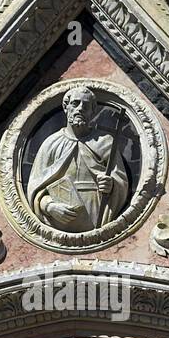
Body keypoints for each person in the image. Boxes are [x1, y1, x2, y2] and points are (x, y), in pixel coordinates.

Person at [27, 85, 129, 232]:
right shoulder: (51, 144)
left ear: (92, 112)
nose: (80, 108)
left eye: (86, 105)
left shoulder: (105, 142)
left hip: (96, 207)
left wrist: (111, 184)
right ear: (66, 107)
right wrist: (49, 206)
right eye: (75, 103)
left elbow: (120, 180)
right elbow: (35, 186)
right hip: (60, 213)